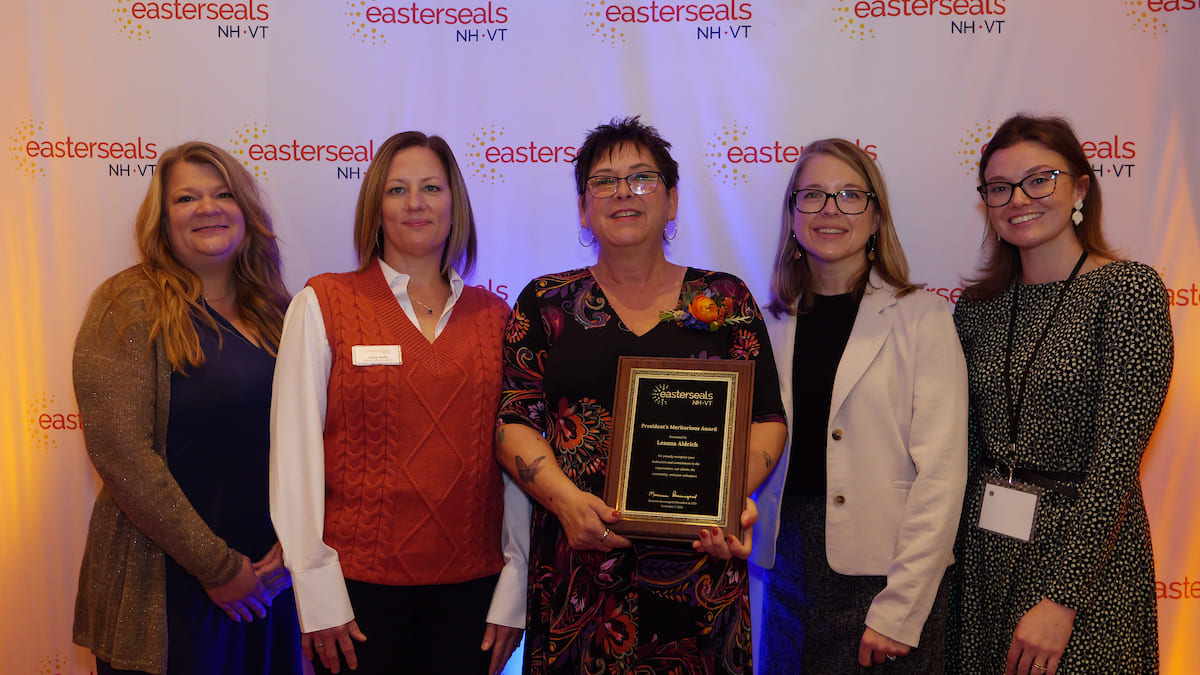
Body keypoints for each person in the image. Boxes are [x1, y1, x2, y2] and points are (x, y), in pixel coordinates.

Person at [495, 116, 788, 674]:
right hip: (577, 576)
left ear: (672, 200)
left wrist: (726, 499)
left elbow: (767, 418)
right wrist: (564, 501)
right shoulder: (544, 302)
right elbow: (513, 420)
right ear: (583, 208)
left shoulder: (724, 298)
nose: (623, 192)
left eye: (642, 178)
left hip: (701, 578)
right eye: (603, 181)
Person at [269, 131, 527, 675]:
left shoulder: (497, 318)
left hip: (473, 595)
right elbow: (295, 458)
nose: (415, 203)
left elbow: (516, 459)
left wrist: (516, 584)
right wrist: (316, 592)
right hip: (357, 596)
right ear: (375, 208)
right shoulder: (324, 303)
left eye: (431, 187)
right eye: (397, 189)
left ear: (454, 206)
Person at [949, 113, 1174, 675]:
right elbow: (960, 446)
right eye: (999, 188)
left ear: (1079, 187)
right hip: (983, 558)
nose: (1018, 198)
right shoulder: (977, 308)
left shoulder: (1127, 292)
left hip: (1085, 562)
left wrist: (1061, 600)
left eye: (1039, 179)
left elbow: (1115, 465)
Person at [72, 142, 301, 675]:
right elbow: (121, 452)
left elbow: (318, 439)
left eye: (223, 194)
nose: (207, 208)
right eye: (186, 198)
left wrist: (295, 548)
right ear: (162, 217)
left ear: (246, 211)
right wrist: (217, 568)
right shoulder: (126, 303)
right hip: (169, 585)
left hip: (268, 583)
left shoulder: (278, 310)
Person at [750, 138, 968, 674]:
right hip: (786, 568)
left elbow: (941, 475)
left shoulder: (923, 319)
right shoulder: (765, 323)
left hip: (886, 579)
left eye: (850, 195)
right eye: (813, 195)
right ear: (792, 215)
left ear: (875, 219)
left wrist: (901, 609)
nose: (830, 210)